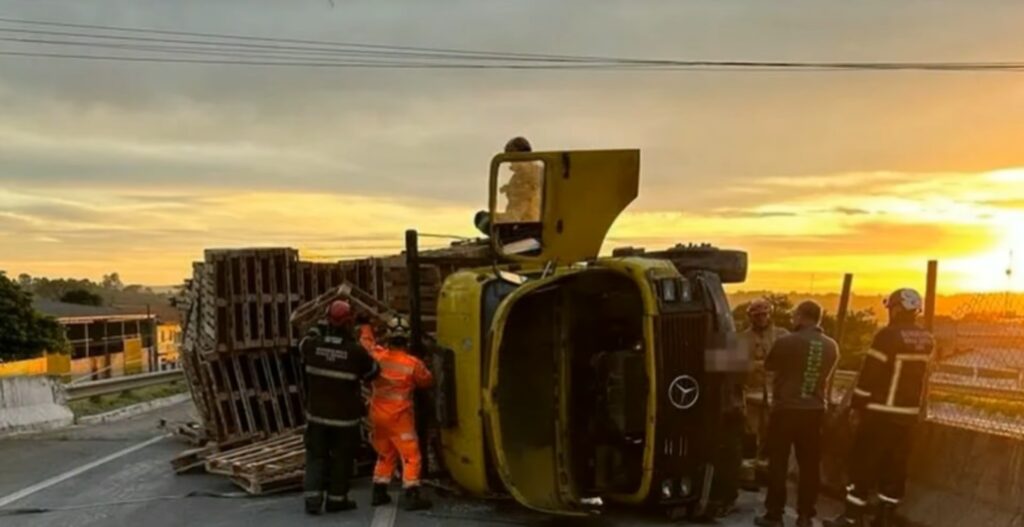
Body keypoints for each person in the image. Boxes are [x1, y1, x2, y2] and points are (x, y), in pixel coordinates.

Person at [826, 288, 933, 527]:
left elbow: (869, 375)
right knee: (895, 469)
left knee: (862, 465)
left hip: (879, 414)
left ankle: (852, 518)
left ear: (895, 309)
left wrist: (856, 405)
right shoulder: (927, 339)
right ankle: (884, 519)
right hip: (908, 417)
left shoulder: (887, 336)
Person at [756, 300, 838, 527]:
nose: (793, 319)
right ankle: (805, 517)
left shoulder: (786, 342)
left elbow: (769, 365)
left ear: (802, 317)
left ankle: (774, 515)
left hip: (785, 411)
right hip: (814, 412)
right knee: (810, 467)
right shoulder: (832, 346)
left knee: (778, 464)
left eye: (795, 316)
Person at [299, 300, 380, 515]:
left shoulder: (312, 346)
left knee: (316, 456)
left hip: (317, 416)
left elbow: (303, 342)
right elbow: (373, 372)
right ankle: (337, 500)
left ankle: (312, 500)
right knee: (342, 459)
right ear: (349, 323)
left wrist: (318, 327)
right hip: (345, 419)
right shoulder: (355, 352)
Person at [369, 316, 435, 511]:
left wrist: (365, 328)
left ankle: (379, 491)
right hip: (399, 417)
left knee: (385, 453)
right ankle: (412, 493)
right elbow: (426, 381)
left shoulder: (378, 357)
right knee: (411, 454)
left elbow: (367, 350)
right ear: (406, 339)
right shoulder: (412, 363)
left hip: (378, 415)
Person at [741, 299, 790, 478]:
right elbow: (734, 365)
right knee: (749, 435)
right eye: (757, 315)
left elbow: (788, 362)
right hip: (751, 397)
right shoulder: (742, 338)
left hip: (774, 396)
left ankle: (765, 473)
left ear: (770, 315)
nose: (761, 318)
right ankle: (747, 475)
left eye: (764, 314)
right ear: (750, 317)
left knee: (770, 436)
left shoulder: (782, 336)